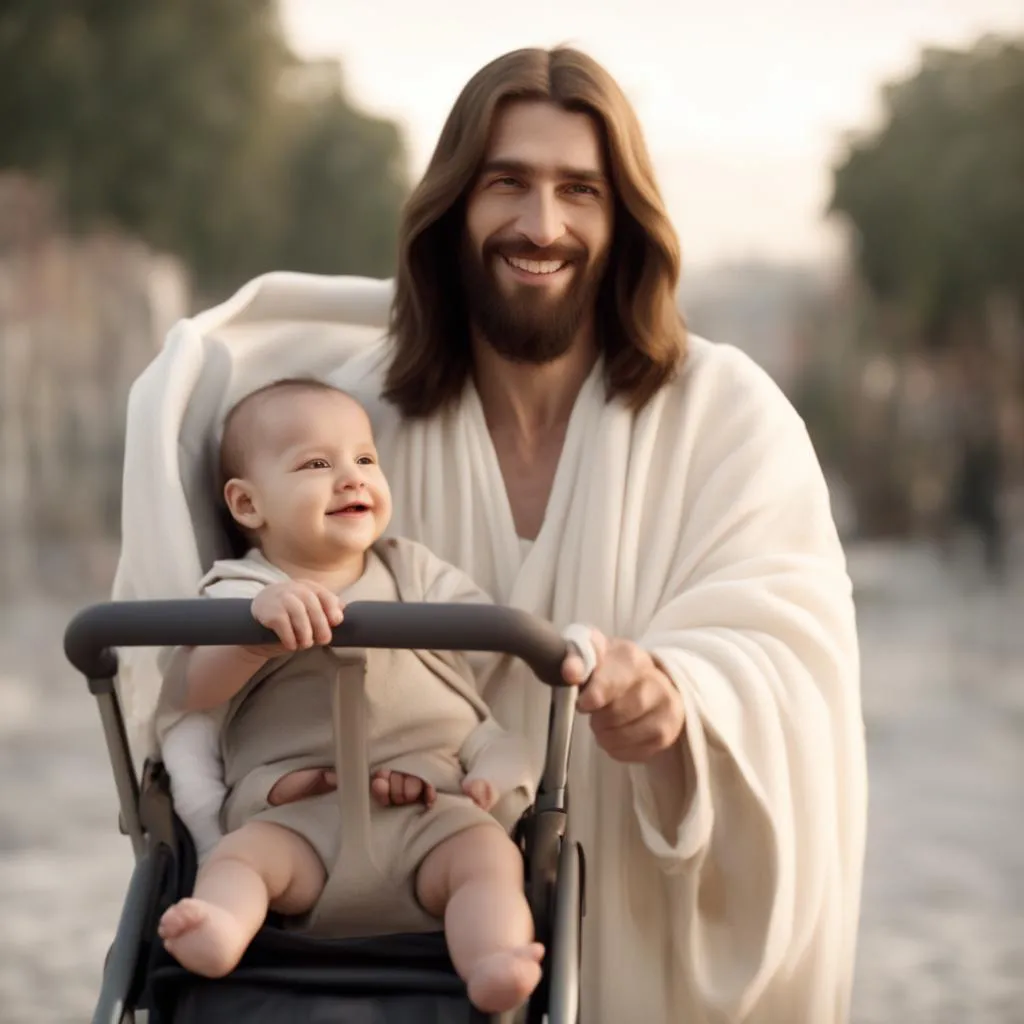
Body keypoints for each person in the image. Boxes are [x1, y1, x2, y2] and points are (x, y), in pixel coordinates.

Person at [114, 43, 866, 1024]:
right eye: (506, 182)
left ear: (623, 215)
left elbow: (786, 635)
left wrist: (679, 698)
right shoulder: (351, 428)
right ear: (453, 205)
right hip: (392, 949)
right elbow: (215, 638)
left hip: (634, 907)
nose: (539, 225)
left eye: (578, 190)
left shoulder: (727, 413)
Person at [154, 378, 550, 1014]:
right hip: (299, 823)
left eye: (365, 459)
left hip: (430, 817)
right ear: (248, 505)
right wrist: (255, 633)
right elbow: (189, 689)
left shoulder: (413, 572)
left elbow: (492, 636)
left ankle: (492, 960)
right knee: (240, 860)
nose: (351, 477)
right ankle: (220, 930)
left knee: (490, 861)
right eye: (317, 464)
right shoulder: (243, 588)